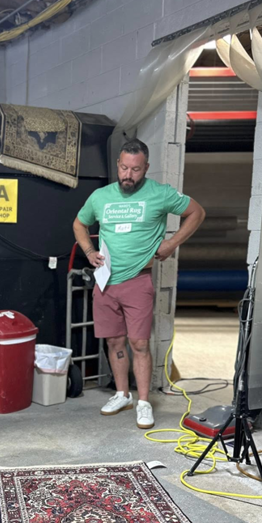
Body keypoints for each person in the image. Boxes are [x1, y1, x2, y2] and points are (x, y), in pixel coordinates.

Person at [72, 138, 205, 430]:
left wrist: (171, 244)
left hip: (138, 281)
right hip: (105, 282)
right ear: (117, 165)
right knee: (114, 341)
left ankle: (143, 402)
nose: (127, 175)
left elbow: (197, 212)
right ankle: (122, 395)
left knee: (140, 343)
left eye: (134, 169)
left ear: (145, 167)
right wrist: (89, 252)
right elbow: (79, 224)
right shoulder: (100, 197)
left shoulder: (160, 194)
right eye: (123, 167)